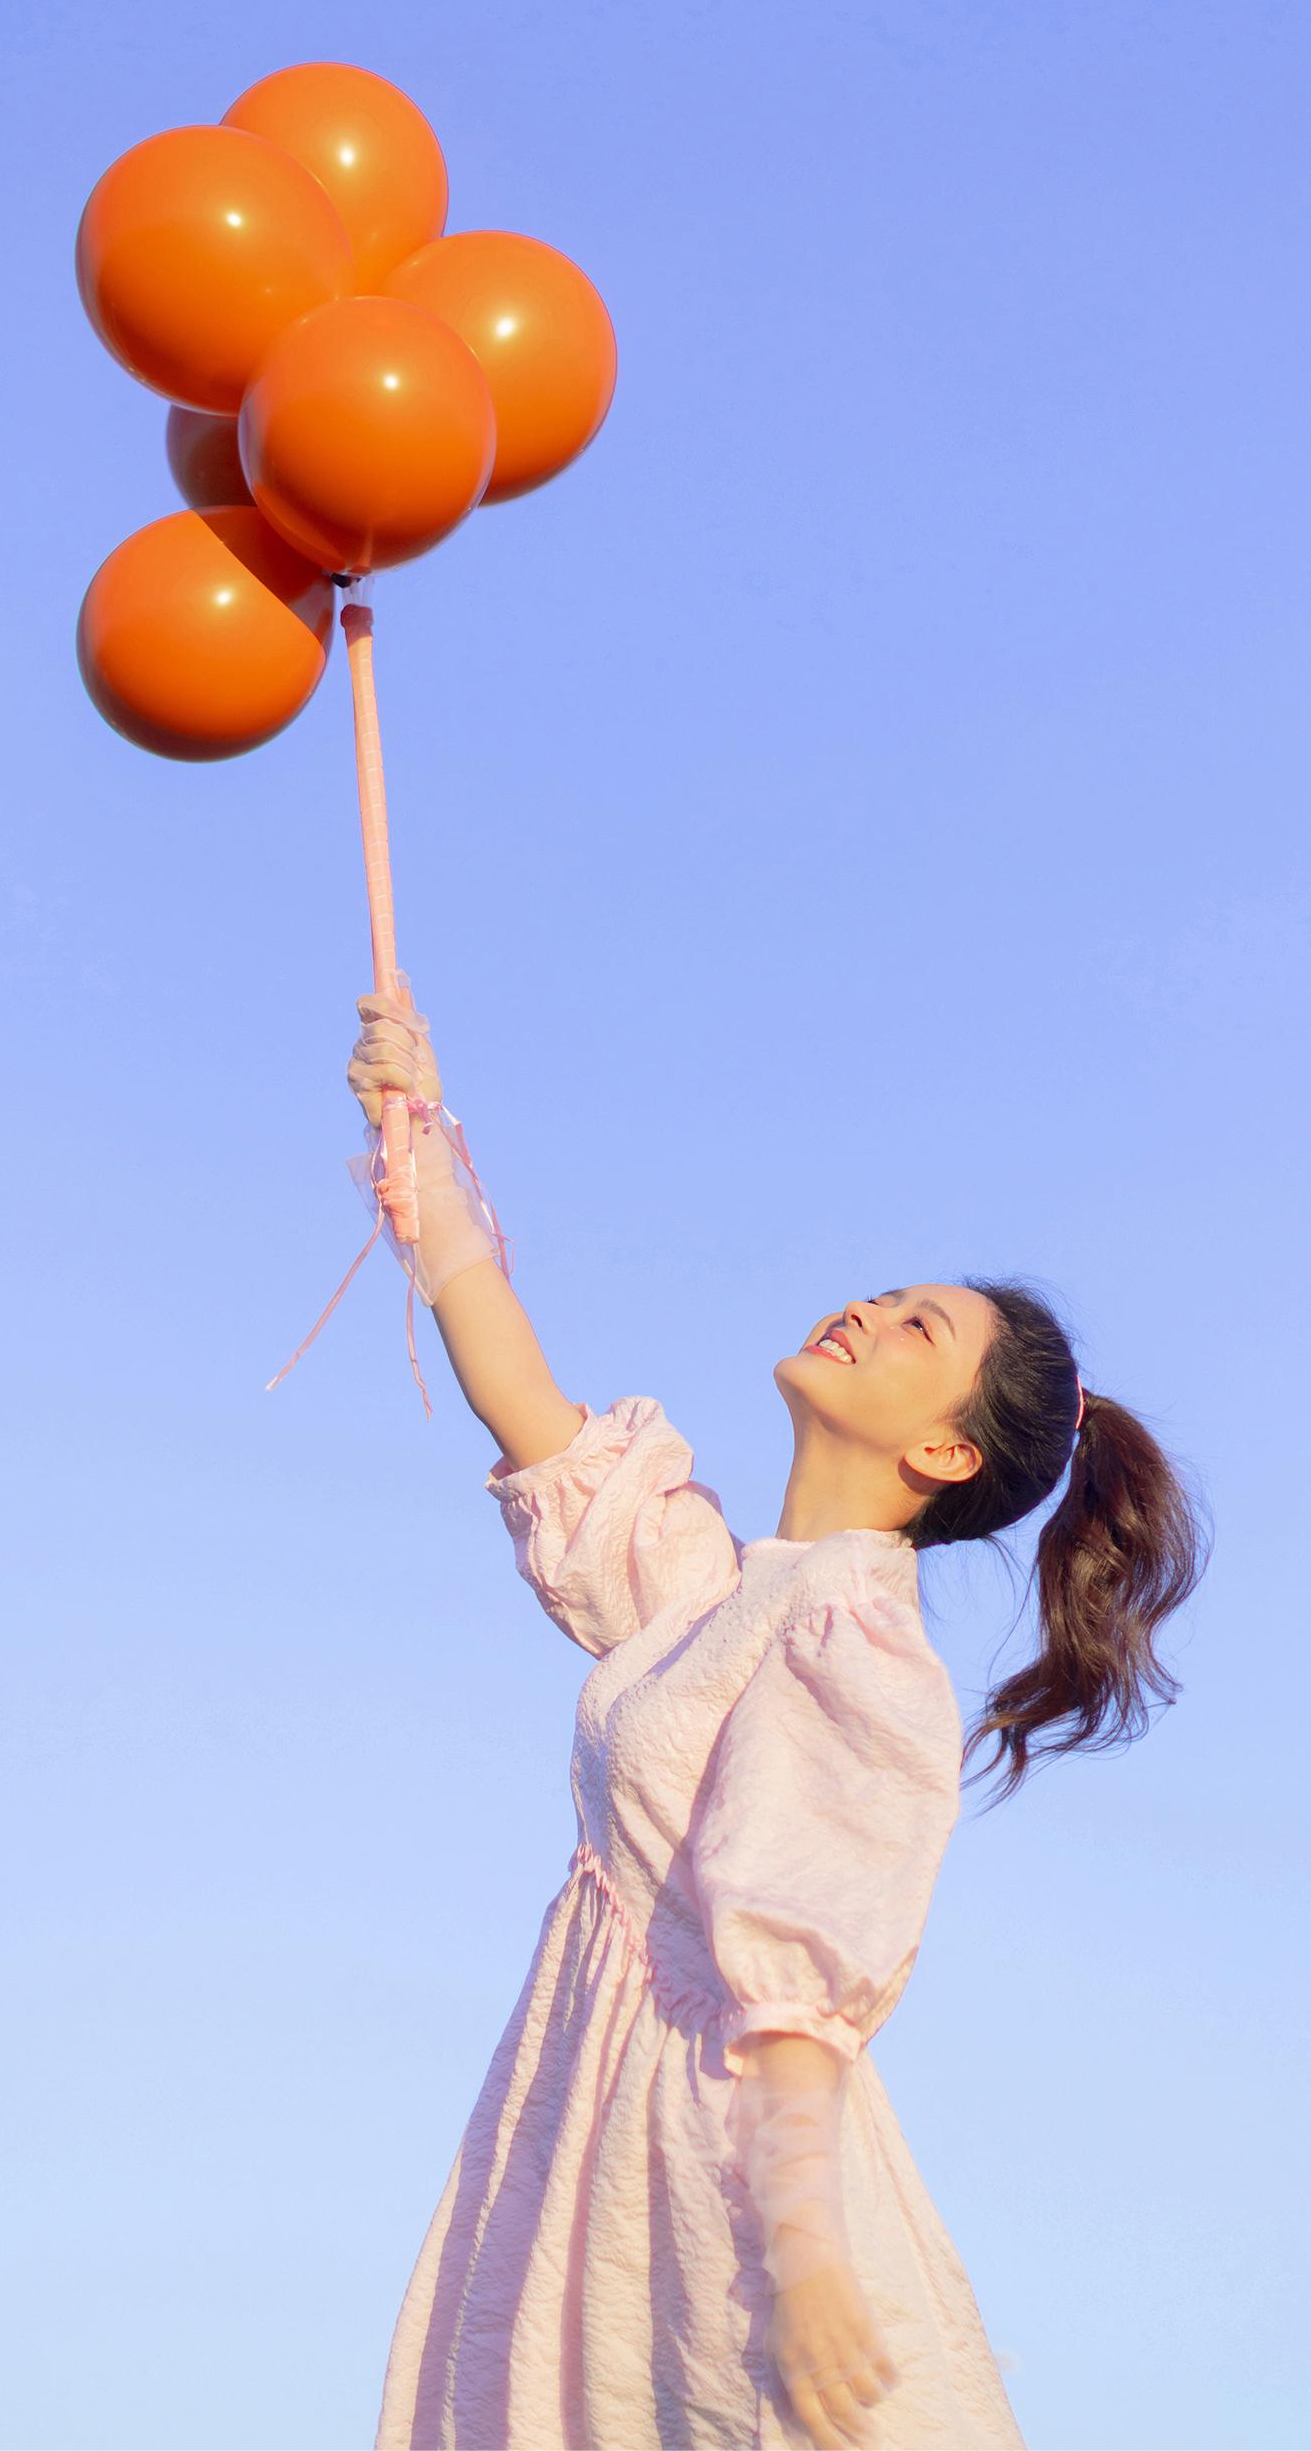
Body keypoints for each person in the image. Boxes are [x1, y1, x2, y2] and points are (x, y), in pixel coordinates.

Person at [350, 982, 1208, 2451]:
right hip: (592, 2147)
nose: (867, 1308)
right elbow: (520, 1390)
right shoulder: (712, 1589)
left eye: (915, 1325)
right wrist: (410, 1125)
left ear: (943, 1445)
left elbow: (801, 1968)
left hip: (722, 2166)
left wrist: (806, 2257)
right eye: (886, 1292)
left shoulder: (855, 1641)